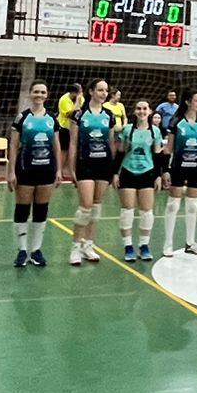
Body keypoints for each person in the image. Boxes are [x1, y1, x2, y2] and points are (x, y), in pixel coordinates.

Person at [8, 81, 60, 268]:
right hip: (25, 168)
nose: (39, 95)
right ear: (30, 94)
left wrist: (60, 170)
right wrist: (11, 171)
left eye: (42, 92)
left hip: (46, 169)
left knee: (41, 209)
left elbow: (56, 145)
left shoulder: (52, 119)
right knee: (22, 209)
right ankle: (22, 250)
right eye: (36, 91)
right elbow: (13, 145)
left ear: (47, 95)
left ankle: (36, 250)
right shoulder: (21, 118)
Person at [67, 79, 117, 266]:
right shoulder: (79, 115)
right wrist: (71, 168)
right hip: (85, 163)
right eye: (100, 90)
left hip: (103, 165)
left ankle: (88, 245)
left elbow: (111, 143)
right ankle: (75, 248)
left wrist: (112, 168)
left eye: (106, 90)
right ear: (91, 91)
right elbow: (73, 142)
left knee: (96, 206)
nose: (104, 93)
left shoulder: (109, 115)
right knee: (85, 206)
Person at [162, 91, 197, 258]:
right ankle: (168, 243)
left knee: (192, 205)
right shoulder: (176, 122)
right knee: (173, 205)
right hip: (178, 166)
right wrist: (165, 170)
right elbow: (168, 147)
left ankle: (190, 242)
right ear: (188, 102)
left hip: (196, 167)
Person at [114, 99, 161, 262]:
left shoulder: (155, 131)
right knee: (127, 210)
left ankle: (144, 245)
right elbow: (120, 153)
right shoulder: (127, 130)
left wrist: (158, 175)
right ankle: (128, 246)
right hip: (128, 171)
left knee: (147, 211)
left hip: (147, 173)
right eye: (138, 109)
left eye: (145, 109)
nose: (142, 111)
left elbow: (157, 155)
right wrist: (115, 173)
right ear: (134, 111)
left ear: (150, 111)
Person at [56, 83, 84, 164]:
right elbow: (71, 115)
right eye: (79, 92)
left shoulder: (81, 98)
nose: (81, 94)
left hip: (76, 129)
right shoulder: (64, 100)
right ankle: (60, 169)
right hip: (64, 128)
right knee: (64, 150)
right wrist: (77, 103)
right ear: (73, 93)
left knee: (74, 150)